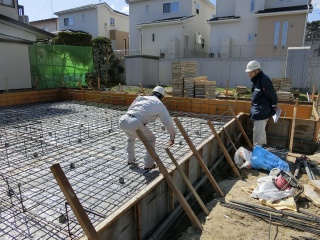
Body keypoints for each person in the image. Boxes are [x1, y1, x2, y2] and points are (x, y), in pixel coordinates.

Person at [119, 86, 175, 170]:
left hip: (123, 120)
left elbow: (130, 109)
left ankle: (130, 159)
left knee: (131, 137)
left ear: (152, 93)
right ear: (162, 97)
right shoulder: (160, 104)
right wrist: (172, 136)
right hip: (135, 123)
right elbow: (168, 123)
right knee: (151, 139)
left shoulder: (140, 98)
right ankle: (149, 164)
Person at [245, 60, 278, 146]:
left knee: (258, 136)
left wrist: (273, 106)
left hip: (262, 112)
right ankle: (262, 153)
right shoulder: (257, 80)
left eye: (250, 72)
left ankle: (258, 155)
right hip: (258, 110)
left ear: (256, 71)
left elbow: (272, 95)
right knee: (260, 134)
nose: (248, 74)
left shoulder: (264, 80)